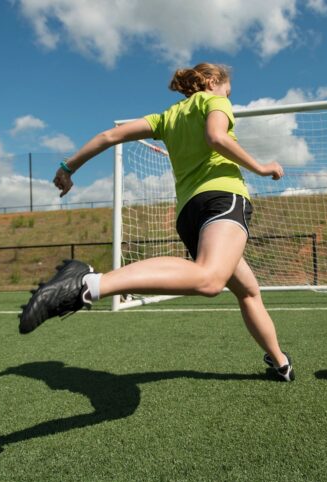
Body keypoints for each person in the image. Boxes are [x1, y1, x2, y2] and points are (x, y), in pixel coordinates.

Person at [19, 63, 294, 382]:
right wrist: (261, 167)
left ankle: (280, 361)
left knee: (247, 290)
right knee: (210, 280)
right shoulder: (214, 100)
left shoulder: (167, 118)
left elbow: (110, 135)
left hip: (190, 215)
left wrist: (68, 167)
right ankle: (88, 284)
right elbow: (216, 137)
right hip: (223, 199)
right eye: (227, 90)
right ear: (210, 82)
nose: (227, 96)